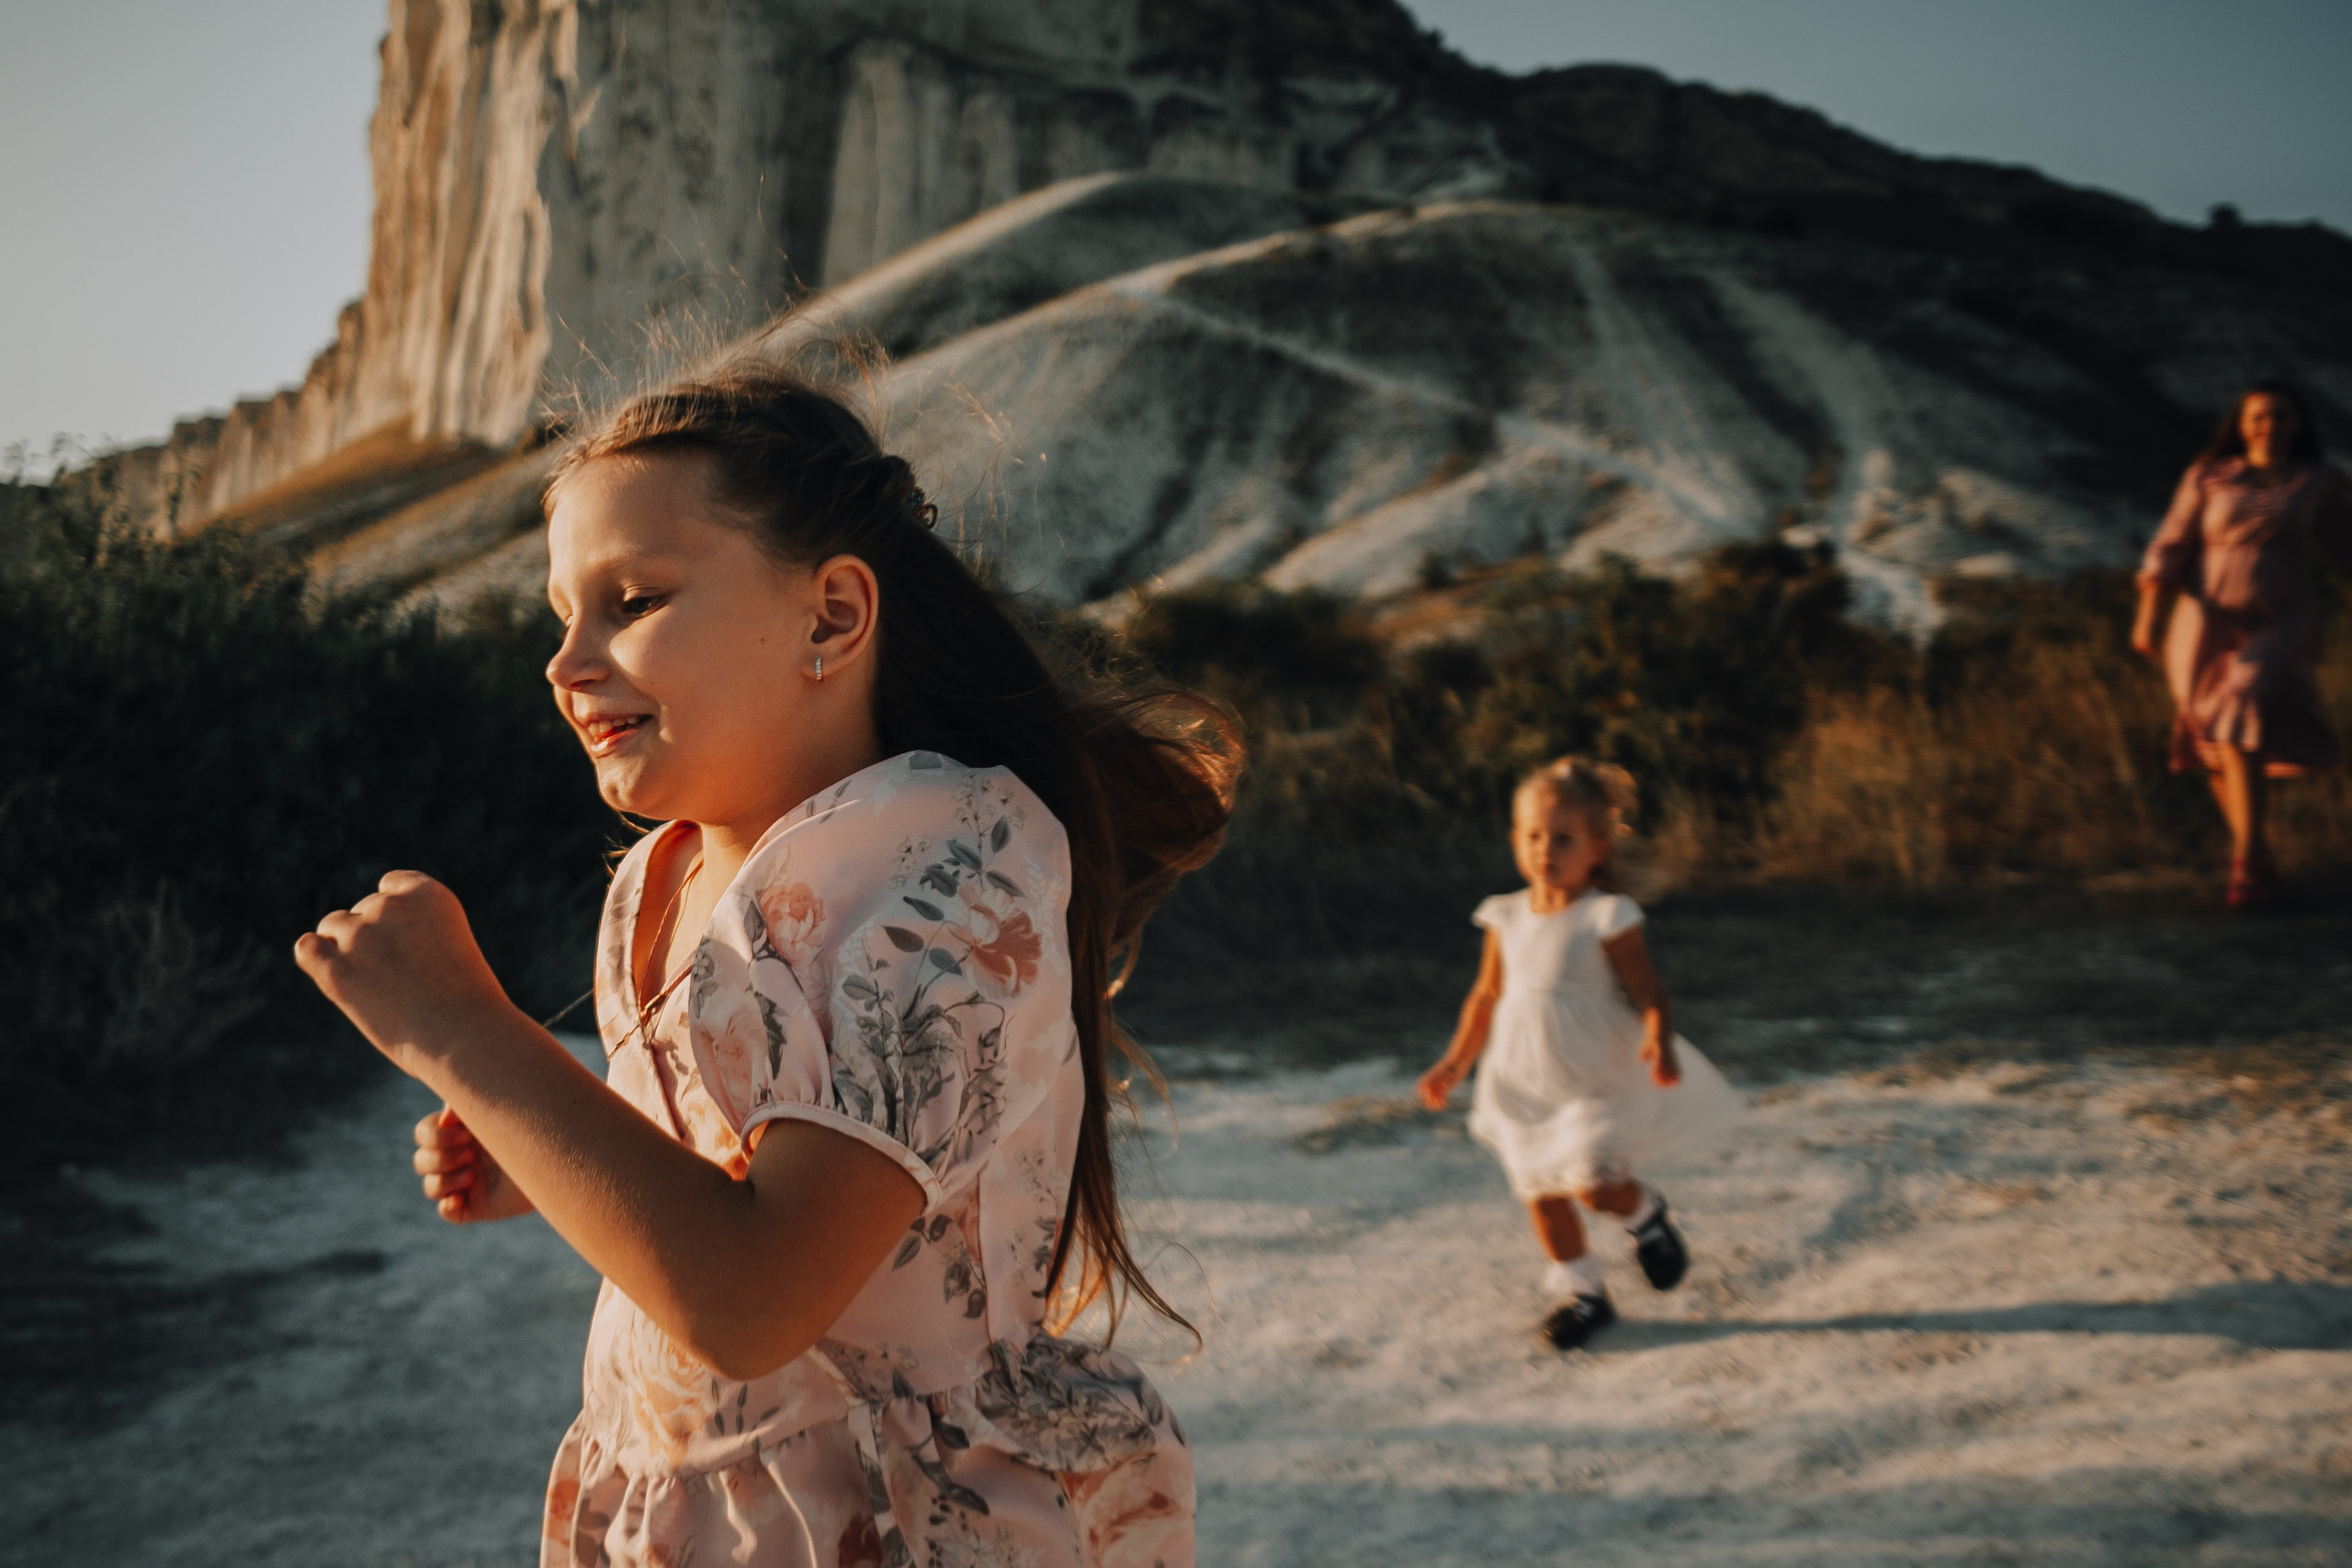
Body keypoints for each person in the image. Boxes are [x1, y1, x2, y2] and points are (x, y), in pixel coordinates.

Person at [294, 364, 1237, 1568]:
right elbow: (724, 1148)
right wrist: (539, 1147)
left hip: (897, 1518)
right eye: (558, 615)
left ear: (833, 616)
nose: (565, 661)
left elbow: (751, 1294)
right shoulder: (661, 873)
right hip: (694, 1511)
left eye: (631, 599)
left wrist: (467, 1031)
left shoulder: (946, 868)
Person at [1416, 758, 1742, 1351]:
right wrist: (1455, 1061)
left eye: (1563, 838)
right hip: (1521, 1078)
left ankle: (1645, 1215)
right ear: (1516, 840)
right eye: (1533, 836)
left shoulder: (1606, 914)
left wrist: (1658, 1034)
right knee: (1541, 1191)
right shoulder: (1505, 913)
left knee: (1593, 1183)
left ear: (1596, 847)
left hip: (1595, 1074)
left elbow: (1646, 987)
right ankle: (1583, 1293)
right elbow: (1487, 993)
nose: (1546, 849)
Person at [2132, 379, 2352, 909]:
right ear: (2241, 424)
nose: (2268, 424)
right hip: (2203, 616)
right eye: (2257, 416)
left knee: (2243, 702)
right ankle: (2258, 863)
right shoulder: (2209, 475)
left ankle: (2247, 863)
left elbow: (2349, 546)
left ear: (2297, 423)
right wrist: (2149, 618)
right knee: (2212, 736)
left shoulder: (2318, 480)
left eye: (2280, 415)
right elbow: (2171, 543)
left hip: (2280, 617)